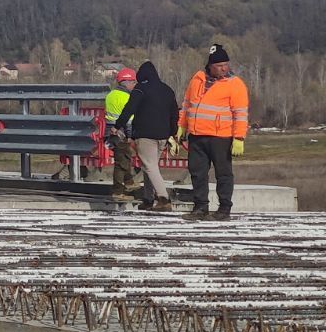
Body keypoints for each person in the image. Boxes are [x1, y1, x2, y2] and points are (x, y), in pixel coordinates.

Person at [178, 43, 249, 221]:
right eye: (219, 66)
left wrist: (239, 137)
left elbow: (240, 113)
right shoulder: (197, 79)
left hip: (221, 137)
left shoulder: (235, 84)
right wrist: (182, 126)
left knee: (223, 174)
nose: (223, 68)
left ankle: (224, 209)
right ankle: (200, 207)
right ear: (210, 65)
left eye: (226, 64)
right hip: (197, 135)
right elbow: (187, 105)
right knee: (197, 172)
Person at [113, 61, 180, 212]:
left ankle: (164, 199)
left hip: (145, 134)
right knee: (150, 167)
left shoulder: (140, 89)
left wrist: (118, 125)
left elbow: (129, 108)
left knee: (149, 166)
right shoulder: (167, 90)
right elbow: (174, 113)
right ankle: (148, 199)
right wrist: (173, 132)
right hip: (163, 135)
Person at [104, 67, 139, 201]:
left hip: (110, 132)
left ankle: (129, 182)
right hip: (121, 133)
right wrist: (131, 136)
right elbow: (129, 120)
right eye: (133, 82)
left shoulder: (110, 95)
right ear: (127, 82)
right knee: (121, 162)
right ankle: (118, 191)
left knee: (125, 157)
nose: (134, 85)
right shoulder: (127, 97)